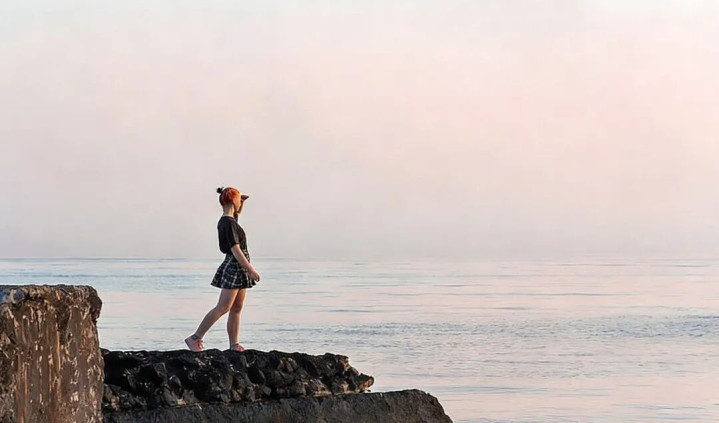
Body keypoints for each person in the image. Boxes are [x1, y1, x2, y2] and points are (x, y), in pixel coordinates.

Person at [184, 186, 261, 352]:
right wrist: (250, 269)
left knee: (237, 308)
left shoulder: (230, 220)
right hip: (235, 265)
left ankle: (234, 344)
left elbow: (235, 214)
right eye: (239, 199)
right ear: (232, 200)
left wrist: (241, 201)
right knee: (223, 306)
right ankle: (195, 338)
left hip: (239, 266)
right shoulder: (227, 223)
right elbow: (235, 248)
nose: (240, 202)